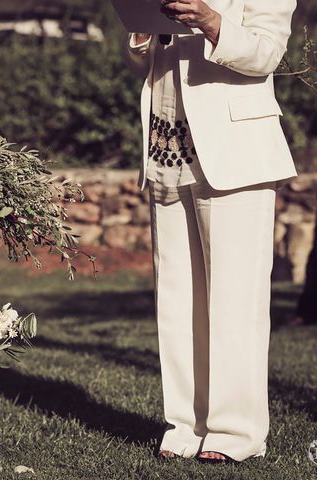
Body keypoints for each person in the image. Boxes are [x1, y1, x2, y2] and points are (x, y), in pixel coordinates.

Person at [123, 0, 297, 463]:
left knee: (234, 300)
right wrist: (141, 31)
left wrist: (212, 22)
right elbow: (146, 59)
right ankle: (185, 426)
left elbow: (266, 54)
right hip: (167, 146)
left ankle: (234, 432)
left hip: (234, 150)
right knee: (177, 299)